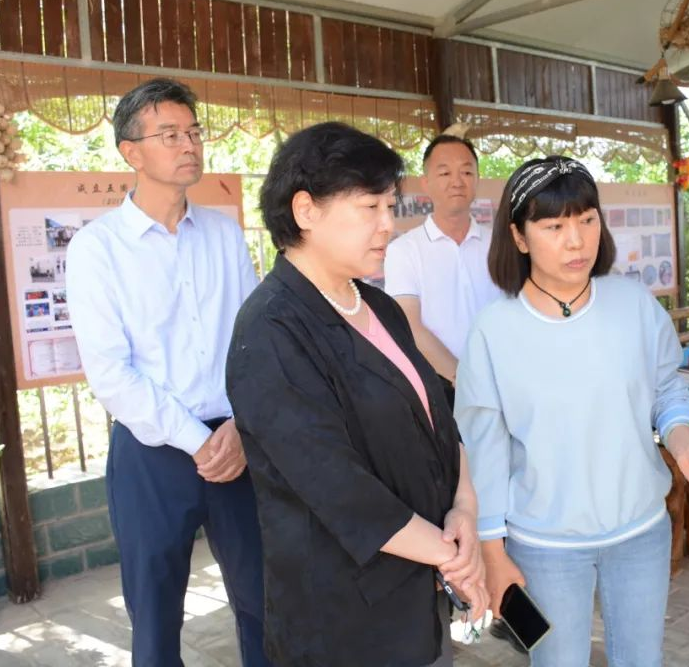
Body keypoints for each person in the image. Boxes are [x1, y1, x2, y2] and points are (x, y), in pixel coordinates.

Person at [455, 156, 689, 666]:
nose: (576, 240)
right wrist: (492, 553)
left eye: (587, 220)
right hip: (544, 545)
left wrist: (685, 442)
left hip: (640, 532)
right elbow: (485, 449)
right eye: (554, 226)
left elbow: (667, 389)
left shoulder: (634, 304)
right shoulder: (493, 330)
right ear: (519, 237)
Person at [225, 122, 488, 666]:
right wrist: (455, 558)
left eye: (390, 206)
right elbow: (337, 486)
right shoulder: (270, 330)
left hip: (417, 592)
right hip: (343, 618)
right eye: (370, 207)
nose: (387, 224)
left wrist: (464, 509)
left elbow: (439, 420)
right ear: (306, 210)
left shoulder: (380, 307)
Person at [65, 78, 270, 666]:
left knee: (264, 602)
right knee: (154, 618)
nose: (189, 145)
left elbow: (253, 341)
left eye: (194, 132)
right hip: (153, 453)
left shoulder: (224, 233)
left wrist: (239, 428)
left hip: (236, 443)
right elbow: (111, 373)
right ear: (131, 152)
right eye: (171, 135)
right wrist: (197, 440)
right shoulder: (98, 248)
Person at [384, 134, 500, 401]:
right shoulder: (404, 250)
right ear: (426, 183)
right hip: (439, 388)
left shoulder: (500, 245)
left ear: (477, 179)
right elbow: (410, 325)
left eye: (466, 172)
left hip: (500, 379)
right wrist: (465, 380)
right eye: (445, 173)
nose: (457, 181)